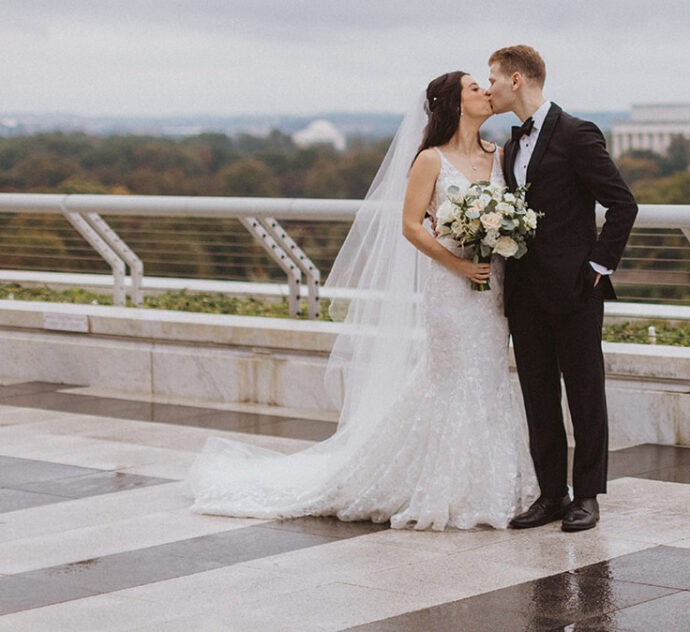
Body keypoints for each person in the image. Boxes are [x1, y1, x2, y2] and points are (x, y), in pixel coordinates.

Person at [186, 72, 534, 530]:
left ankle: (494, 482)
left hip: (493, 287)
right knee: (452, 379)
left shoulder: (499, 155)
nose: (486, 93)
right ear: (454, 104)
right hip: (451, 287)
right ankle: (442, 486)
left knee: (488, 376)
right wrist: (459, 266)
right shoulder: (430, 160)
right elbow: (411, 226)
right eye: (474, 88)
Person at [487, 45, 637, 533]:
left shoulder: (576, 133)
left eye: (492, 79)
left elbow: (622, 204)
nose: (488, 89)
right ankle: (551, 494)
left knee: (585, 392)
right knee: (537, 394)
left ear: (516, 79)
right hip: (525, 291)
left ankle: (587, 496)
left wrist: (598, 265)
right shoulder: (509, 148)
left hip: (576, 289)